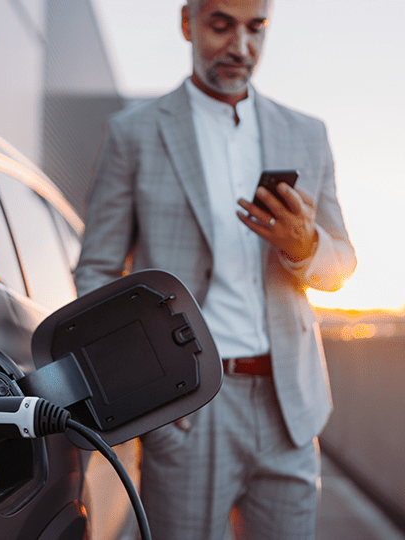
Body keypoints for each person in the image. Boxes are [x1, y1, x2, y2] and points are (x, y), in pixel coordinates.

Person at [73, 0, 357, 538]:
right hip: (187, 405)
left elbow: (340, 263)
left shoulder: (307, 134)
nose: (241, 47)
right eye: (221, 25)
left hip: (289, 406)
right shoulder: (133, 134)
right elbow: (97, 271)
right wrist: (144, 388)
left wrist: (304, 244)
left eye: (256, 28)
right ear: (187, 22)